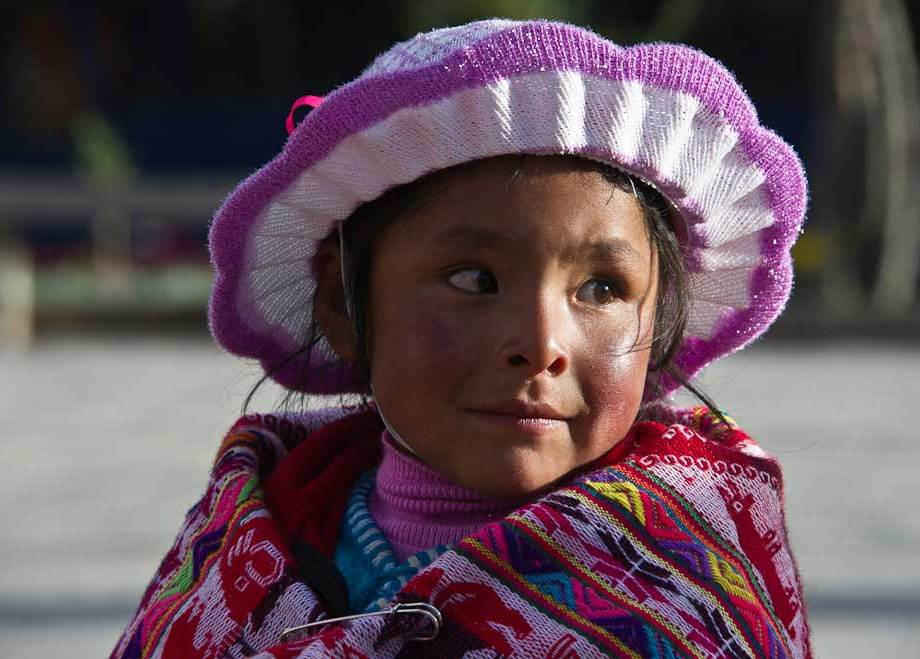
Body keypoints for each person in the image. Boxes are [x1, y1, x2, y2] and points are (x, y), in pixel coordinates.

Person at [112, 18, 811, 658]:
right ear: (341, 301)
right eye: (475, 279)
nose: (541, 343)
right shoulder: (235, 559)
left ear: (657, 319)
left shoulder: (694, 581)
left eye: (601, 289)